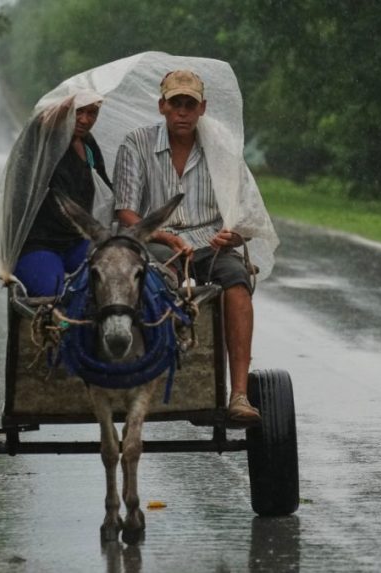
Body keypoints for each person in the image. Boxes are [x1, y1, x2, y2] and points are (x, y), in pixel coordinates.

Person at [112, 69, 264, 424]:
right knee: (154, 281)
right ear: (162, 106)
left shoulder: (220, 148)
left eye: (189, 105)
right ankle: (154, 371)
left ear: (202, 109)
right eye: (175, 103)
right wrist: (162, 235)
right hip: (156, 242)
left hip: (210, 243)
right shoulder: (136, 143)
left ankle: (239, 393)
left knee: (237, 281)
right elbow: (126, 213)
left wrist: (234, 235)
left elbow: (243, 216)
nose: (182, 112)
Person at [12, 91, 112, 296]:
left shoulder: (88, 145)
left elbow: (107, 189)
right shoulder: (42, 142)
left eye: (92, 113)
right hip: (38, 244)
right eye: (78, 111)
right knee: (54, 294)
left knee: (112, 279)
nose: (84, 120)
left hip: (77, 240)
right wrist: (70, 97)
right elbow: (39, 123)